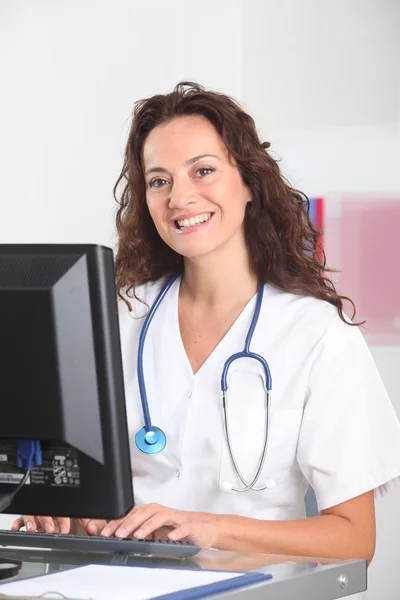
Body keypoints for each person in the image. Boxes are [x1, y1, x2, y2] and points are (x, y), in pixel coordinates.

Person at [12, 82, 400, 563]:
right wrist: (66, 514)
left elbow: (355, 540)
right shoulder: (115, 317)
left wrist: (211, 528)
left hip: (256, 590)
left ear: (250, 184)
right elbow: (85, 489)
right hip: (120, 584)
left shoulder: (318, 335)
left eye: (204, 171)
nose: (180, 197)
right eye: (159, 180)